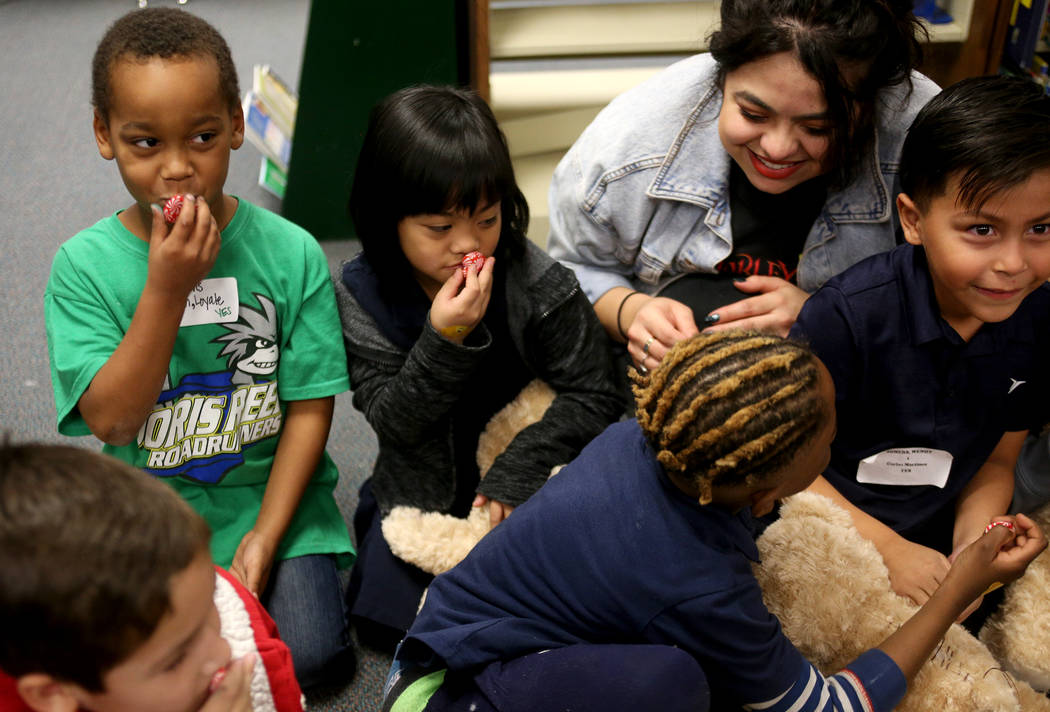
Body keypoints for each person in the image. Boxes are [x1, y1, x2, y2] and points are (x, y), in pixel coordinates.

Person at [378, 331, 1046, 712]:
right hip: (445, 694)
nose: (837, 433)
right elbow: (830, 707)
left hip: (454, 635)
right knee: (673, 684)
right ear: (761, 493)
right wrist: (959, 590)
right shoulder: (700, 587)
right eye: (830, 430)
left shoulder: (642, 437)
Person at [43, 8, 354, 687]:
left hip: (277, 500)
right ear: (105, 135)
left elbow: (308, 406)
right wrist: (166, 291)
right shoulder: (82, 268)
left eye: (204, 137)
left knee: (314, 659)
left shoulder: (291, 251)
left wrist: (266, 538)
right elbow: (114, 422)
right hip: (150, 513)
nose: (179, 169)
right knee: (133, 666)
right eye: (146, 143)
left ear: (238, 126)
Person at [334, 85, 623, 653]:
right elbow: (395, 423)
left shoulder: (537, 281)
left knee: (569, 608)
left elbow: (597, 392)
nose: (468, 246)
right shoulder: (359, 292)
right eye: (439, 229)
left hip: (532, 480)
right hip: (418, 490)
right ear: (388, 218)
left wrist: (520, 468)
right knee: (388, 624)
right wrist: (444, 338)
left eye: (487, 220)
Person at [547, 0, 940, 377]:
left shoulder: (927, 139)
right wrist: (630, 312)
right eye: (753, 114)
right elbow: (570, 267)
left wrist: (836, 320)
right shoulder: (632, 143)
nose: (778, 148)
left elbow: (967, 302)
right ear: (720, 74)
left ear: (873, 105)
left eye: (818, 128)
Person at [789, 76, 1050, 622]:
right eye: (981, 229)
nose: (1013, 262)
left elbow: (999, 459)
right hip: (826, 528)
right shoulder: (846, 315)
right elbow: (788, 469)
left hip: (939, 532)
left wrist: (973, 551)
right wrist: (890, 551)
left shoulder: (1040, 318)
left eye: (1041, 228)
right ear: (913, 220)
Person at [0, 441, 304, 712]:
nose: (223, 651)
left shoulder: (216, 613)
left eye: (209, 608)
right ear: (53, 693)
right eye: (175, 660)